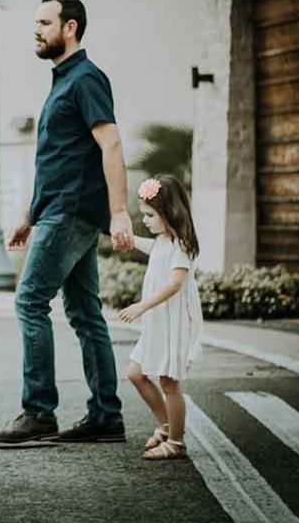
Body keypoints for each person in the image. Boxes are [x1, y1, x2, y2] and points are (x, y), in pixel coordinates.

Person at [0, 0, 133, 445]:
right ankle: (106, 416)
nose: (37, 29)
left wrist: (121, 211)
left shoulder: (86, 79)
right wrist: (28, 215)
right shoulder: (62, 82)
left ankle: (38, 412)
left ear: (69, 28)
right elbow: (58, 160)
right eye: (36, 22)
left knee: (30, 301)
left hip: (71, 213)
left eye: (45, 22)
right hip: (59, 210)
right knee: (86, 313)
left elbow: (110, 144)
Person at [118, 175, 204, 460]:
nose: (145, 220)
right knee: (135, 373)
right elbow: (151, 248)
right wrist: (128, 239)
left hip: (173, 324)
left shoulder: (181, 245)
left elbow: (174, 284)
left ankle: (176, 442)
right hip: (158, 324)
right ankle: (167, 425)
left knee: (169, 383)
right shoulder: (162, 241)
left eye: (150, 215)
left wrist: (141, 306)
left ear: (170, 213)